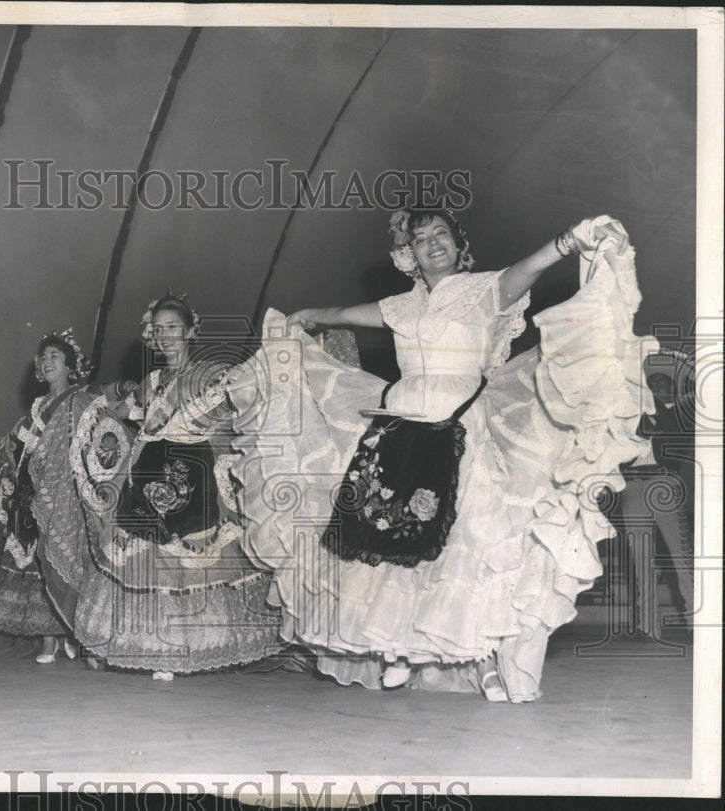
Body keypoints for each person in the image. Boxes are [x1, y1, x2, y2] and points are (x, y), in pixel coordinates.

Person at [229, 210, 656, 701]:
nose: (433, 243)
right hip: (398, 429)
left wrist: (575, 237)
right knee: (389, 538)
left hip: (462, 430)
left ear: (458, 244)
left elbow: (532, 265)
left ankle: (484, 664)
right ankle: (398, 649)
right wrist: (306, 316)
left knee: (467, 542)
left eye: (442, 234)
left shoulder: (485, 289)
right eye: (421, 238)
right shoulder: (398, 307)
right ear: (408, 253)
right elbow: (345, 314)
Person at [70, 293, 283, 679]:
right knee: (146, 556)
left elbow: (239, 418)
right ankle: (145, 645)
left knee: (179, 557)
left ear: (190, 331)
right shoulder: (151, 382)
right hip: (148, 470)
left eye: (172, 327)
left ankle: (178, 648)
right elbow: (125, 419)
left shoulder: (213, 375)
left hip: (189, 472)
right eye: (158, 328)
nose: (165, 335)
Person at [0, 330, 98, 663]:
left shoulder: (78, 401)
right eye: (43, 357)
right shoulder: (36, 408)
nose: (47, 363)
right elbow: (17, 450)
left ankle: (67, 632)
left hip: (63, 492)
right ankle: (50, 637)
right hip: (31, 492)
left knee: (58, 560)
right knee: (33, 561)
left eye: (54, 357)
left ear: (70, 366)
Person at [614, 366, 696, 633]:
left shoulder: (680, 413)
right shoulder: (632, 415)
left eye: (661, 385)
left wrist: (653, 401)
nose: (654, 388)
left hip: (665, 482)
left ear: (671, 391)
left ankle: (697, 622)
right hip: (634, 483)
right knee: (641, 559)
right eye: (651, 385)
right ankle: (648, 626)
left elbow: (671, 429)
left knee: (681, 557)